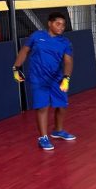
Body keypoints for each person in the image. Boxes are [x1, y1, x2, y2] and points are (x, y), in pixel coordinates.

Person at [12, 12, 75, 150]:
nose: (61, 27)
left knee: (62, 105)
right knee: (42, 107)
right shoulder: (36, 36)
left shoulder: (65, 42)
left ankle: (58, 130)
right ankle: (43, 138)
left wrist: (66, 78)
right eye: (58, 24)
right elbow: (24, 51)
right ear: (50, 23)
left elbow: (68, 62)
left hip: (57, 79)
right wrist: (16, 68)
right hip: (38, 78)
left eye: (63, 25)